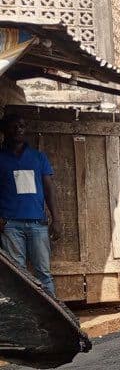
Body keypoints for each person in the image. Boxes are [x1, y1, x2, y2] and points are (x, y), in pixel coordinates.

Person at [0, 113, 59, 296]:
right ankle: (25, 320)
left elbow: (49, 189)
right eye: (14, 125)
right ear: (5, 131)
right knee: (18, 275)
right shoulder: (0, 158)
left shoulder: (38, 157)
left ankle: (53, 319)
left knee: (44, 273)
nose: (19, 128)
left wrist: (56, 218)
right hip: (10, 225)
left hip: (37, 224)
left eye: (22, 125)